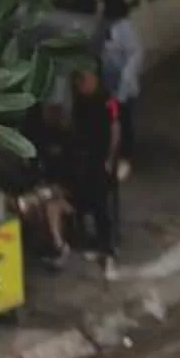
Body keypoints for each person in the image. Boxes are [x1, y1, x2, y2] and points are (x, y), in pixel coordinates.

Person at [64, 60, 120, 270]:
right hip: (81, 156)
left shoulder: (107, 101)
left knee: (99, 199)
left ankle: (105, 241)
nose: (83, 84)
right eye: (80, 80)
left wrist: (109, 159)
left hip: (99, 157)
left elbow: (115, 129)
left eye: (86, 80)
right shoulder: (78, 100)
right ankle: (80, 233)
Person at [98, 0, 143, 174]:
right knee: (110, 120)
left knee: (122, 120)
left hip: (121, 84)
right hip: (107, 82)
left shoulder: (124, 28)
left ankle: (125, 156)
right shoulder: (104, 26)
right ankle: (112, 155)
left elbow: (135, 54)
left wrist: (125, 79)